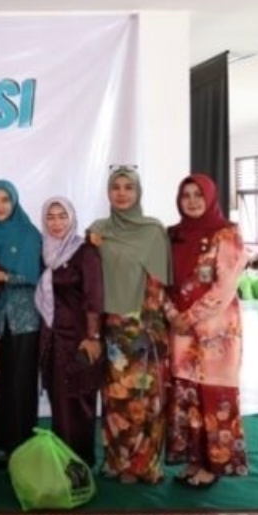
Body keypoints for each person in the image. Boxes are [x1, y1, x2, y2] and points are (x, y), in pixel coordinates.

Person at [165, 174, 249, 488]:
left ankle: (213, 464)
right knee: (186, 392)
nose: (192, 201)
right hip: (180, 331)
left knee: (213, 393)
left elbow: (224, 287)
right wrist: (171, 314)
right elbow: (160, 279)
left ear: (210, 197)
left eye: (198, 194)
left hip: (216, 333)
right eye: (185, 195)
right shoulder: (173, 235)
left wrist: (189, 316)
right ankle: (193, 459)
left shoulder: (227, 234)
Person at [88, 167, 171, 485]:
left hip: (142, 326)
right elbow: (91, 278)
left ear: (138, 193)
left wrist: (146, 328)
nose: (122, 193)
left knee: (144, 398)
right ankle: (117, 461)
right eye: (116, 187)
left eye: (128, 187)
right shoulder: (97, 230)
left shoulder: (153, 231)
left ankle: (144, 464)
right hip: (110, 326)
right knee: (114, 397)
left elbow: (157, 285)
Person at [35, 197, 105, 465]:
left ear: (72, 218)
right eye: (50, 217)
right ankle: (62, 463)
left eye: (62, 216)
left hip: (79, 340)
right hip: (53, 340)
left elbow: (94, 297)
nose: (56, 223)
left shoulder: (84, 252)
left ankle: (80, 464)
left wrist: (93, 336)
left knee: (79, 403)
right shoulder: (45, 252)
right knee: (60, 405)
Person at [0, 180, 44, 462]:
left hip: (23, 320)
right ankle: (1, 446)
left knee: (21, 385)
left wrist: (1, 276)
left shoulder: (28, 233)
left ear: (14, 202)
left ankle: (22, 448)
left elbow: (33, 276)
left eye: (5, 200)